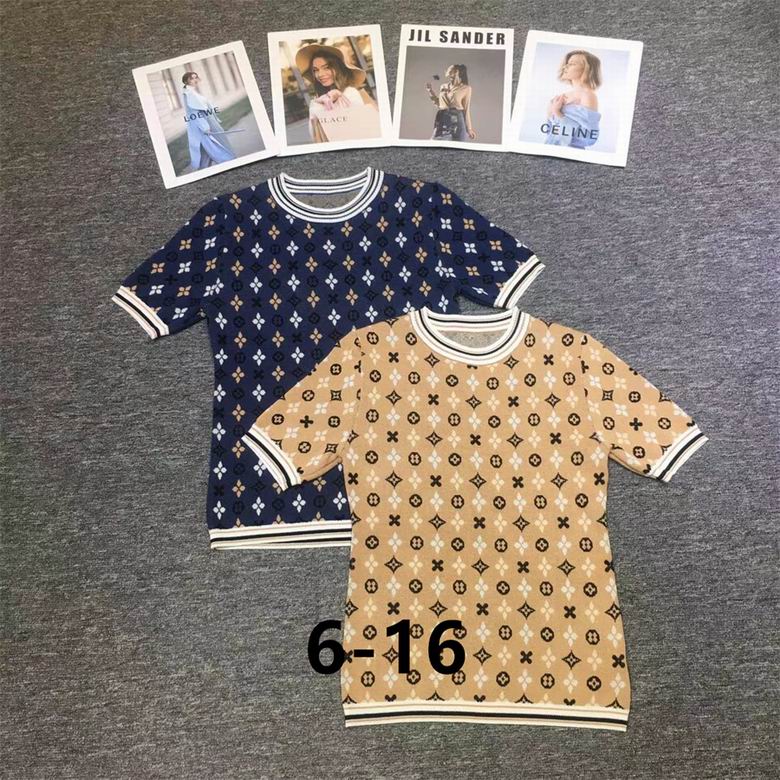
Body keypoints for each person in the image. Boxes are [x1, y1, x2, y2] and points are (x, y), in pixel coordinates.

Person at [294, 43, 379, 142]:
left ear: (338, 68)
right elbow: (315, 135)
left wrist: (333, 101)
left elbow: (353, 128)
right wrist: (319, 103)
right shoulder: (319, 100)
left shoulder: (350, 93)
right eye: (316, 70)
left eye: (326, 68)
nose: (320, 74)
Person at [544, 50, 602, 149]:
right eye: (567, 63)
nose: (565, 67)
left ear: (587, 69)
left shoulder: (588, 96)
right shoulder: (559, 97)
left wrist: (557, 112)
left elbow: (589, 137)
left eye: (572, 64)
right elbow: (548, 131)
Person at [181, 72, 236, 169]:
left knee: (206, 150)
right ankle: (230, 163)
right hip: (203, 125)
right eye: (192, 78)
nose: (195, 80)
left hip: (208, 121)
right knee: (214, 147)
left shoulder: (192, 92)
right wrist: (205, 127)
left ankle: (204, 169)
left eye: (196, 77)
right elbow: (194, 113)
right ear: (186, 81)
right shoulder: (189, 94)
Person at [426, 63, 476, 142]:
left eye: (451, 69)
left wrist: (469, 129)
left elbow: (466, 110)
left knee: (456, 147)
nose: (448, 71)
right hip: (442, 119)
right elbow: (440, 105)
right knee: (434, 142)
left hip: (457, 121)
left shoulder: (466, 88)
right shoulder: (443, 86)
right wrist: (430, 91)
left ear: (457, 72)